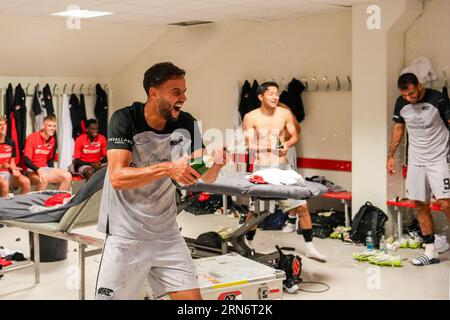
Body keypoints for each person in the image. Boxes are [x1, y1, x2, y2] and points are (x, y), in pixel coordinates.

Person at [95, 62, 227, 300]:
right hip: (125, 236)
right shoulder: (125, 119)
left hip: (167, 236)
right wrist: (168, 167)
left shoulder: (186, 123)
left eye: (184, 91)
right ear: (153, 93)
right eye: (176, 92)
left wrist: (215, 162)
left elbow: (203, 177)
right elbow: (117, 177)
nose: (184, 98)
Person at [242, 82, 327, 269]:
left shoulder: (285, 114)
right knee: (255, 211)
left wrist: (287, 145)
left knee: (302, 207)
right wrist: (268, 148)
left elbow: (295, 135)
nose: (275, 97)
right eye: (271, 94)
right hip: (262, 168)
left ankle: (310, 246)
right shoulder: (250, 117)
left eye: (277, 94)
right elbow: (249, 143)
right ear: (260, 97)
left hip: (283, 167)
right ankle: (249, 243)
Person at [387, 72, 450, 266]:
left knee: (446, 203)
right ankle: (430, 251)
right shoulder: (401, 103)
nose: (409, 98)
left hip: (439, 157)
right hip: (416, 159)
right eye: (405, 95)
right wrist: (390, 155)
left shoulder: (437, 98)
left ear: (419, 85)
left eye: (412, 94)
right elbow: (398, 129)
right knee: (420, 204)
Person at [23, 114, 72, 191]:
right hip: (31, 170)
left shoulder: (52, 140)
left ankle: (57, 201)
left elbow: (49, 159)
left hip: (45, 169)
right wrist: (38, 170)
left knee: (67, 176)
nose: (52, 128)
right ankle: (38, 203)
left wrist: (53, 173)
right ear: (43, 125)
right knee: (44, 179)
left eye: (54, 126)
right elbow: (26, 159)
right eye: (49, 126)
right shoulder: (32, 137)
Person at [0, 115, 30, 196]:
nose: (3, 127)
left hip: (8, 173)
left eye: (4, 124)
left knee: (26, 181)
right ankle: (4, 208)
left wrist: (14, 169)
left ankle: (20, 206)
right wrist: (2, 166)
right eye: (0, 125)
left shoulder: (10, 142)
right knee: (5, 184)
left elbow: (12, 162)